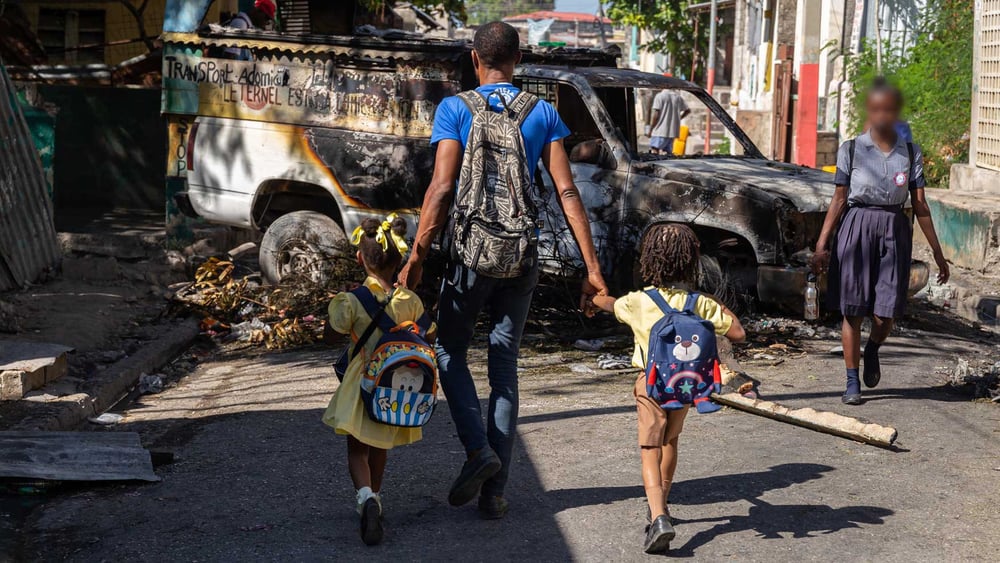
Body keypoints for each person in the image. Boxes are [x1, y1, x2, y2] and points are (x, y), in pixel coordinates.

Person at [398, 21, 609, 519]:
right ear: (518, 59)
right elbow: (567, 193)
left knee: (449, 349)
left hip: (471, 257)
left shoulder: (455, 109)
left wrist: (416, 257)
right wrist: (592, 269)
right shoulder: (542, 113)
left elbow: (442, 189)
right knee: (504, 368)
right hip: (521, 256)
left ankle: (478, 452)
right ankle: (495, 491)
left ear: (475, 59)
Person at [591, 223, 745, 554]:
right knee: (671, 440)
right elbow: (737, 333)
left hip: (651, 384)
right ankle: (661, 500)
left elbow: (611, 305)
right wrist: (712, 304)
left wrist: (595, 299)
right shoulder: (699, 302)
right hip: (685, 386)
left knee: (650, 447)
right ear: (692, 262)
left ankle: (659, 516)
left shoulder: (639, 302)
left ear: (649, 260)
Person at [812, 80, 949, 405]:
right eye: (876, 109)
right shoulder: (851, 149)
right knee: (853, 310)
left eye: (889, 109)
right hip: (856, 227)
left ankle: (872, 348)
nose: (882, 115)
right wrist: (821, 245)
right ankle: (851, 381)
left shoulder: (911, 152)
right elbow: (839, 200)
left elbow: (920, 206)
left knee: (886, 312)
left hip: (893, 229)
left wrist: (938, 254)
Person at [322, 216, 434, 546]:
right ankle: (378, 497)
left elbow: (331, 335)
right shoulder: (410, 301)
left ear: (360, 259)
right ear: (398, 261)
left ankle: (366, 497)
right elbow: (430, 333)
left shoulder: (353, 299)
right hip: (393, 386)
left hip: (362, 383)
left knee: (357, 450)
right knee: (380, 447)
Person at [645, 83, 690, 155]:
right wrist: (678, 118)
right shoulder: (678, 97)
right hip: (672, 132)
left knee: (654, 152)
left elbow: (656, 115)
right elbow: (688, 110)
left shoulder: (660, 96)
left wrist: (651, 129)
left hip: (659, 131)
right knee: (668, 154)